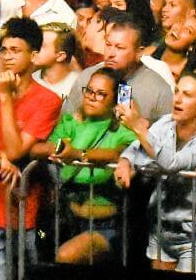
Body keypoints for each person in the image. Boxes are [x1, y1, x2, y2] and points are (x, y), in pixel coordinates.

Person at [0, 17, 61, 280]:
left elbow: (15, 151)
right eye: (4, 50)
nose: (7, 57)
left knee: (26, 273)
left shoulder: (48, 99)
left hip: (25, 208)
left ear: (33, 56)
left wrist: (5, 98)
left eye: (15, 51)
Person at [114, 71, 196, 273]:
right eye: (177, 91)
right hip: (161, 227)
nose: (178, 99)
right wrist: (125, 161)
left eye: (188, 95)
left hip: (195, 234)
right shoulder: (166, 122)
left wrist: (139, 127)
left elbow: (172, 163)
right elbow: (136, 147)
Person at [35, 66, 139, 265]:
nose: (91, 97)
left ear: (116, 100)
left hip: (106, 225)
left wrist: (76, 153)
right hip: (69, 219)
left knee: (66, 256)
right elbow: (39, 149)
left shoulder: (122, 129)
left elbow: (119, 153)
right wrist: (59, 148)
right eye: (89, 91)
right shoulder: (72, 122)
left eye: (101, 94)